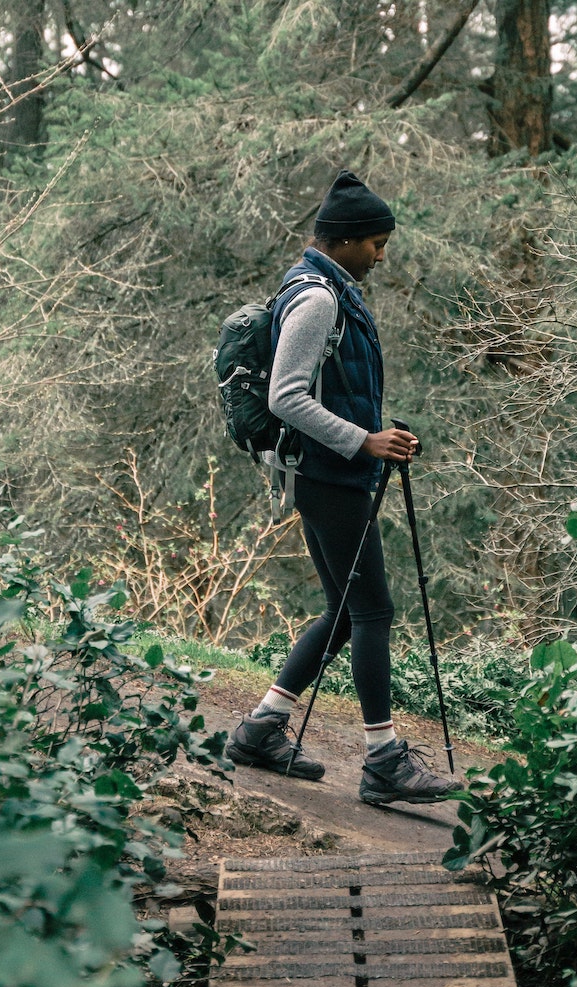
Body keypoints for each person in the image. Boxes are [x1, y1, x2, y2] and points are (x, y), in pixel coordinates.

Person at [224, 169, 462, 806]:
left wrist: (375, 436)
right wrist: (365, 442)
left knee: (341, 615)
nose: (382, 255)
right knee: (372, 613)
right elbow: (286, 396)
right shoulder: (318, 298)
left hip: (329, 472)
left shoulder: (328, 288)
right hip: (329, 476)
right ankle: (384, 760)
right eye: (378, 243)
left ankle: (260, 730)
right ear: (348, 240)